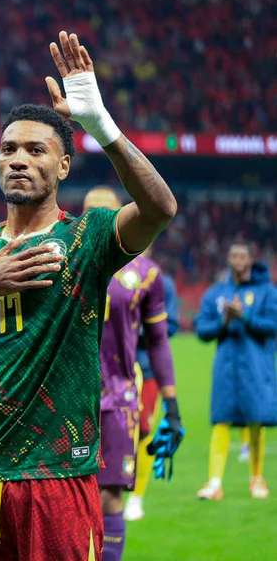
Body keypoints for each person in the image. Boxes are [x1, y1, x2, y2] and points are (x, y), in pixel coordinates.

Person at [0, 31, 177, 560]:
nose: (17, 159)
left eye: (36, 150)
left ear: (62, 167)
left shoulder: (88, 237)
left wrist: (101, 126)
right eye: (8, 149)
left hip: (58, 472)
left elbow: (159, 209)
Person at [83, 187, 182, 561]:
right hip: (66, 395)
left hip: (118, 396)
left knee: (109, 495)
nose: (96, 219)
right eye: (89, 211)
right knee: (65, 495)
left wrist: (171, 404)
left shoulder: (144, 274)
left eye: (105, 212)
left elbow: (158, 341)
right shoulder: (62, 262)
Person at [195, 241, 277, 500]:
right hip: (226, 367)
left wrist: (245, 316)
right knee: (220, 419)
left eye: (242, 255)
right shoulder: (217, 293)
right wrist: (225, 320)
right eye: (233, 254)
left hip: (256, 365)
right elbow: (203, 330)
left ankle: (256, 478)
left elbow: (272, 325)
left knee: (255, 420)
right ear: (228, 259)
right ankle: (215, 483)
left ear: (251, 259)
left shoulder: (266, 291)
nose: (238, 259)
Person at [125, 267, 180, 521]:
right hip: (110, 369)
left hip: (146, 369)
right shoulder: (109, 270)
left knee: (143, 429)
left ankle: (136, 497)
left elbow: (169, 326)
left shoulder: (159, 279)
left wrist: (135, 331)